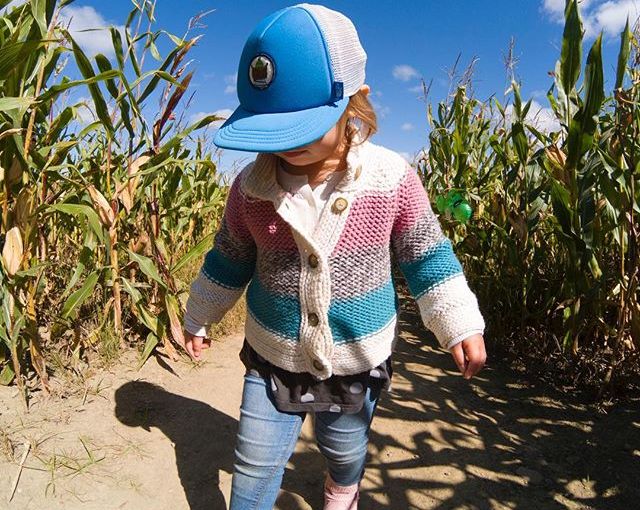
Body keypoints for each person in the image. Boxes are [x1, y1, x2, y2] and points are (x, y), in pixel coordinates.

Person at [182, 4, 487, 509]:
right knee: (254, 463)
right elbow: (229, 257)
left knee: (343, 447)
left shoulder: (391, 179)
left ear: (355, 102)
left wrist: (457, 322)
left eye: (302, 127)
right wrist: (200, 313)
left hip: (356, 360)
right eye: (271, 130)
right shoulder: (251, 189)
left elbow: (426, 256)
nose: (286, 145)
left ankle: (343, 484)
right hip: (273, 355)